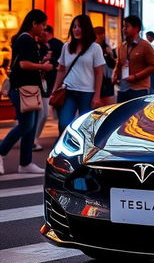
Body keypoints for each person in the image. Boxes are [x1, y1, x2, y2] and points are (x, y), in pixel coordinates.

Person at [0, 9, 53, 174]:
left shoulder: (29, 39)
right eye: (42, 25)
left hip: (29, 88)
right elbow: (23, 64)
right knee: (26, 125)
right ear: (34, 24)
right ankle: (1, 151)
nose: (44, 28)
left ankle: (25, 163)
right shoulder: (26, 39)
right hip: (22, 88)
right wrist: (43, 66)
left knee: (30, 125)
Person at [51, 15, 105, 136]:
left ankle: (82, 154)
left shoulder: (95, 48)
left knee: (85, 128)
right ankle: (66, 153)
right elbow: (61, 70)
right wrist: (54, 90)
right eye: (74, 27)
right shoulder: (66, 47)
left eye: (80, 26)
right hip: (69, 91)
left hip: (87, 93)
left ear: (86, 29)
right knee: (63, 124)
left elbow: (99, 73)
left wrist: (97, 96)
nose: (76, 29)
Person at [113, 15, 154, 103]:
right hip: (122, 88)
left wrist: (136, 76)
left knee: (137, 115)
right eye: (123, 26)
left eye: (127, 26)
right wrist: (115, 74)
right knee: (122, 115)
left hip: (139, 89)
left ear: (136, 29)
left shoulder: (145, 45)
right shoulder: (122, 46)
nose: (124, 29)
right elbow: (119, 63)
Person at [95, 26, 117, 106]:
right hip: (97, 79)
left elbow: (112, 64)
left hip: (107, 79)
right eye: (101, 34)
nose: (103, 36)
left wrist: (109, 55)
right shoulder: (92, 48)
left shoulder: (106, 47)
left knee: (107, 104)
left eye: (103, 34)